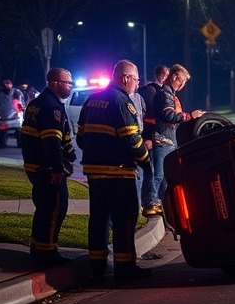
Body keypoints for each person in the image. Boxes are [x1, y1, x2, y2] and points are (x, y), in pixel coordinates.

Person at [77, 60, 153, 282]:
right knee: (125, 220)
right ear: (126, 78)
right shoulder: (122, 102)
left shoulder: (91, 100)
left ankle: (98, 267)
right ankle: (125, 268)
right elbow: (131, 139)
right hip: (119, 173)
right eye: (136, 80)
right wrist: (146, 161)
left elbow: (81, 137)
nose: (137, 85)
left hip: (94, 173)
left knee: (98, 220)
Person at [20, 68, 77, 265]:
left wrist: (69, 151)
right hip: (46, 168)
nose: (70, 86)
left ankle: (37, 246)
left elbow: (61, 136)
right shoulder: (50, 106)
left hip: (33, 165)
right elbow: (51, 141)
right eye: (67, 83)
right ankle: (48, 251)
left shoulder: (36, 104)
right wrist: (57, 169)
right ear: (55, 83)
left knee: (43, 207)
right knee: (56, 208)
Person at [143, 64, 202, 217]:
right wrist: (189, 116)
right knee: (158, 174)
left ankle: (160, 201)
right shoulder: (165, 94)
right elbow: (168, 115)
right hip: (162, 139)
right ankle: (150, 202)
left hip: (168, 138)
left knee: (165, 176)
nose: (183, 85)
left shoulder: (169, 93)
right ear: (175, 77)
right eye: (182, 81)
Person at [137, 64, 169, 216]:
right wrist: (150, 137)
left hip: (154, 135)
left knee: (159, 172)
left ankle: (158, 200)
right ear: (160, 75)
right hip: (151, 136)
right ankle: (149, 201)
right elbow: (150, 117)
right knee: (152, 171)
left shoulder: (154, 90)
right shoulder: (152, 91)